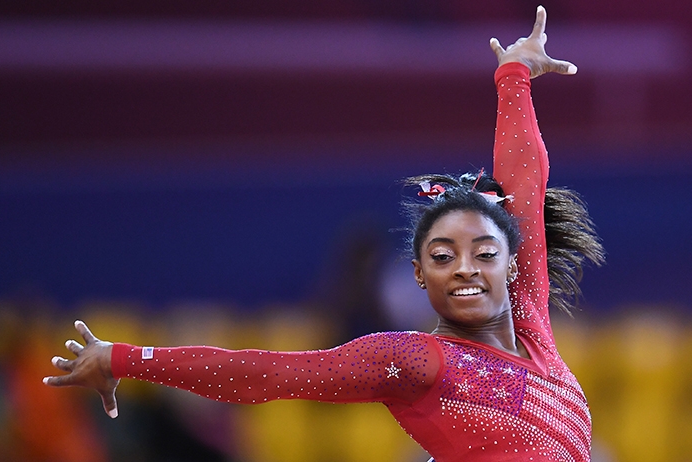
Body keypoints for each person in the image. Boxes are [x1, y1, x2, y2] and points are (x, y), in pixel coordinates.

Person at [45, 6, 604, 461]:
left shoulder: (531, 324)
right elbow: (268, 375)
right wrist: (123, 358)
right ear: (418, 275)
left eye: (483, 252)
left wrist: (515, 77)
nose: (463, 267)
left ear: (512, 262)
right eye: (442, 256)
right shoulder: (417, 361)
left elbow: (523, 185)